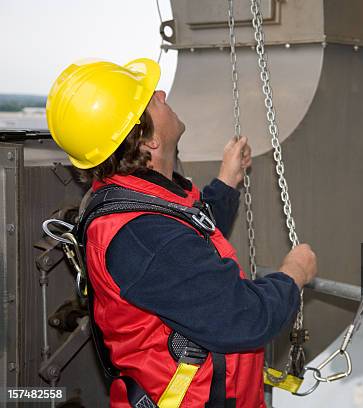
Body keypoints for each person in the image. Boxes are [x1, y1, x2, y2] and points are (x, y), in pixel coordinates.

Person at [46, 58, 317, 407]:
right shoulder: (146, 237)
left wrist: (227, 182)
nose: (161, 93)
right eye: (150, 99)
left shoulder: (135, 196)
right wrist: (295, 272)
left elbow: (190, 239)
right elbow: (245, 317)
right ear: (149, 141)